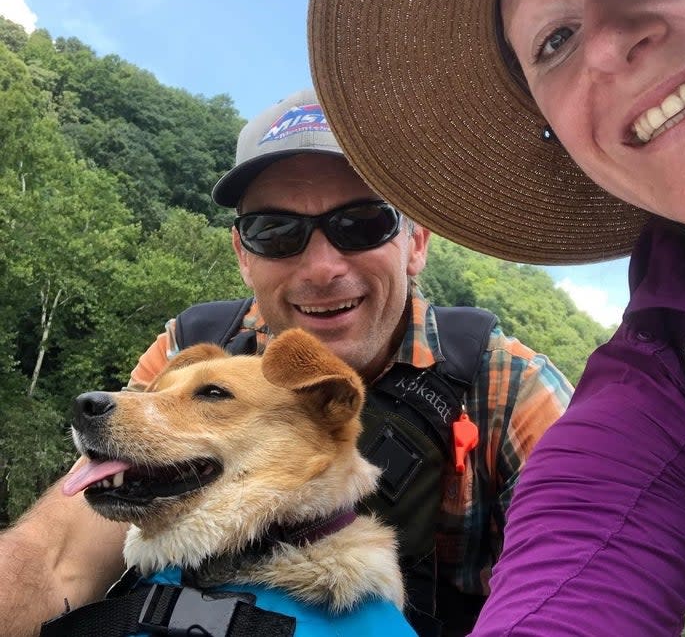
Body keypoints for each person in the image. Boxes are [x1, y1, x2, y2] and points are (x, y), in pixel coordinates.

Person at [0, 89, 572, 637]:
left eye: (363, 222)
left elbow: (574, 591)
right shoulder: (196, 345)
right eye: (276, 231)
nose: (322, 267)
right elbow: (55, 560)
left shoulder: (507, 384)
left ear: (417, 239)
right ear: (243, 256)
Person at [307, 0, 685, 635]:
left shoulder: (504, 380)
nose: (606, 43)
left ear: (417, 247)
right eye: (555, 39)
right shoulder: (663, 393)